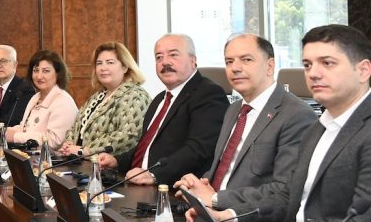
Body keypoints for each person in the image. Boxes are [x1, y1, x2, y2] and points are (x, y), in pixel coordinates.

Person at [209, 24, 371, 222]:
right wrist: (230, 216)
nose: (313, 73)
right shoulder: (318, 128)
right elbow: (288, 197)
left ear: (363, 70)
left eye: (327, 63)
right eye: (307, 65)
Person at [175, 33, 316, 209]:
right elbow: (224, 170)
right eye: (229, 61)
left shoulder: (296, 115)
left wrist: (216, 198)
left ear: (270, 66)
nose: (235, 68)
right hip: (209, 212)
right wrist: (198, 187)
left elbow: (283, 190)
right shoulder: (233, 109)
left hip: (248, 219)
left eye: (246, 60)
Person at [97, 34, 228, 186]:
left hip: (173, 189)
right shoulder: (160, 99)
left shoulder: (208, 94)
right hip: (137, 183)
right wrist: (117, 161)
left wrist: (154, 175)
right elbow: (147, 147)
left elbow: (198, 150)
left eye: (173, 55)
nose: (165, 62)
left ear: (193, 60)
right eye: (159, 57)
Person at [60, 42, 149, 157]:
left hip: (113, 165)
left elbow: (129, 136)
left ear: (125, 67)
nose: (103, 68)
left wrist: (85, 150)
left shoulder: (136, 96)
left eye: (110, 62)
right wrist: (69, 144)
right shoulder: (98, 96)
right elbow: (76, 126)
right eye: (99, 63)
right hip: (81, 162)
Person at [6, 50, 77, 150]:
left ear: (58, 73)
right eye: (36, 70)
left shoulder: (63, 102)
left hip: (52, 158)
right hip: (30, 155)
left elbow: (55, 141)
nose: (39, 76)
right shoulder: (35, 97)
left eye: (46, 71)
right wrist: (6, 131)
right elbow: (25, 128)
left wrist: (15, 137)